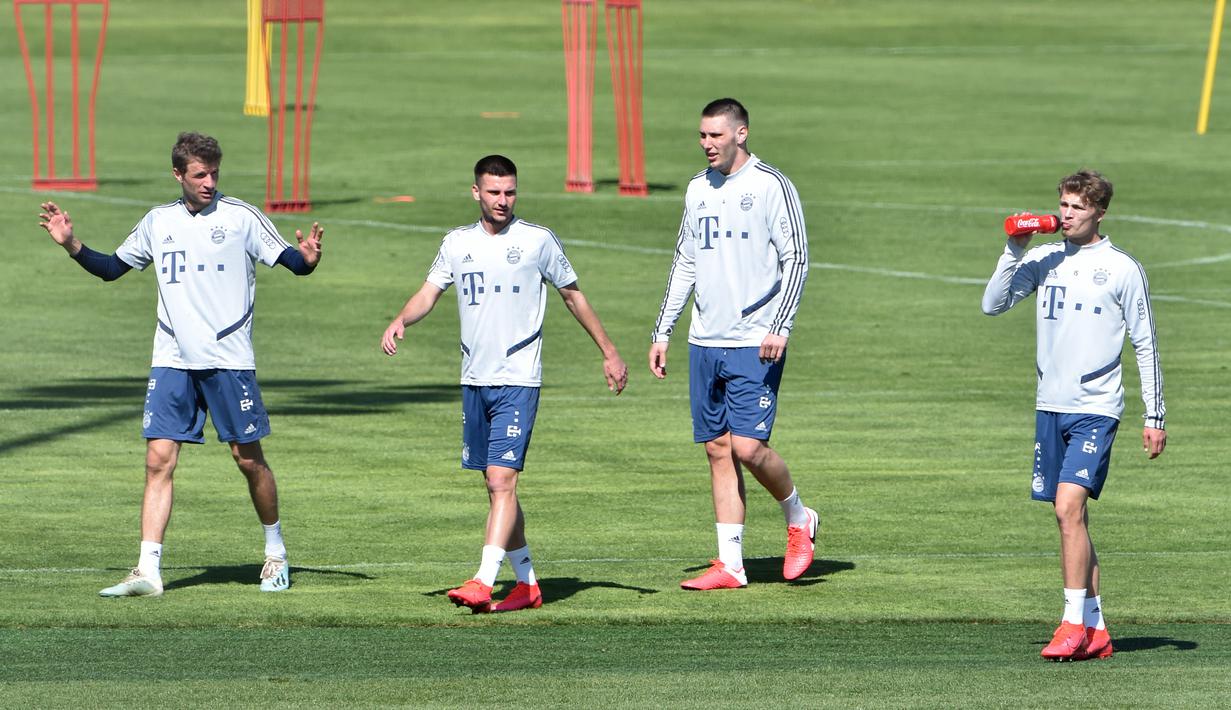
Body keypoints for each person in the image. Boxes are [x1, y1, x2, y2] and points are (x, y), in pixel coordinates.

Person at [39, 131, 324, 597]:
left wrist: (309, 260)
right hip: (171, 358)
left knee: (248, 460)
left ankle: (276, 553)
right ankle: (148, 570)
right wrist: (71, 244)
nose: (209, 182)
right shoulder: (158, 221)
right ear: (178, 175)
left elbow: (291, 260)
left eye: (214, 173)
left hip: (228, 359)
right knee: (157, 461)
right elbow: (113, 268)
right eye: (200, 174)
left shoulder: (241, 218)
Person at [381, 154, 627, 613]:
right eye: (493, 192)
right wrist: (401, 319)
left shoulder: (537, 241)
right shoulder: (456, 243)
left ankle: (482, 579)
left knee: (501, 479)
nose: (503, 200)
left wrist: (609, 351)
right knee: (495, 487)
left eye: (510, 192)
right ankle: (528, 584)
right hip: (474, 379)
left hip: (519, 378)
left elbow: (573, 296)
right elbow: (429, 292)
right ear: (476, 192)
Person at [982, 169, 1166, 661]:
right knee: (1073, 520)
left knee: (1068, 509)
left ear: (1100, 212)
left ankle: (1069, 624)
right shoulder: (1044, 259)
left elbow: (1145, 343)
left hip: (1096, 409)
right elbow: (992, 304)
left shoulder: (1123, 268)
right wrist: (1013, 250)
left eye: (1078, 207)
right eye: (1063, 205)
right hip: (1050, 406)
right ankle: (1098, 629)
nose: (1066, 215)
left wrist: (1156, 416)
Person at [649, 98, 817, 591]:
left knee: (749, 447)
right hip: (705, 339)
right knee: (718, 450)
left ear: (740, 134)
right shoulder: (697, 189)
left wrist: (780, 325)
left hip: (754, 339)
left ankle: (799, 516)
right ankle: (731, 565)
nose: (707, 145)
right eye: (702, 136)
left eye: (716, 136)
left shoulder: (771, 186)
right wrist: (664, 331)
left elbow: (798, 259)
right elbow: (684, 261)